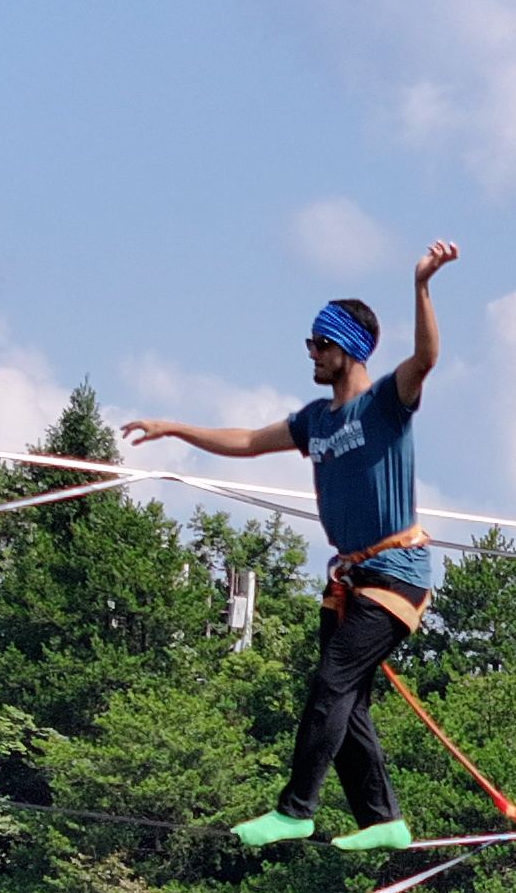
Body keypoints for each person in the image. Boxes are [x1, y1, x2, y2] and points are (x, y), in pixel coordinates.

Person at [122, 240, 460, 847]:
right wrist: (175, 426)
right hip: (353, 581)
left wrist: (422, 286)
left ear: (348, 350)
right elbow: (248, 440)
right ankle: (384, 822)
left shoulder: (386, 403)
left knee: (331, 685)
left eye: (320, 344)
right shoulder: (316, 420)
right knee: (348, 701)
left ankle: (296, 809)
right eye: (310, 342)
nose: (311, 352)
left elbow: (427, 357)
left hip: (396, 572)